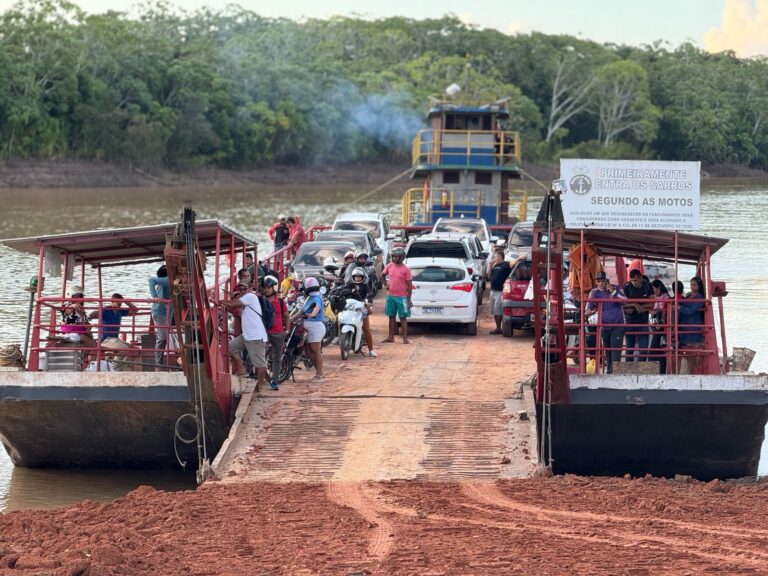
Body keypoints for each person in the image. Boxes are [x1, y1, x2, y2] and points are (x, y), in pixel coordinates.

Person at [221, 282, 268, 391]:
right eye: (240, 289)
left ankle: (260, 386)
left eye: (244, 289)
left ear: (250, 289)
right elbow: (234, 309)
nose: (242, 291)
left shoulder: (250, 296)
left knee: (260, 363)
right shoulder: (245, 301)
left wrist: (220, 301)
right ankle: (242, 369)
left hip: (255, 336)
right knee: (230, 347)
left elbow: (233, 305)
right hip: (247, 335)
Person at [586, 271, 626, 374]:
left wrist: (613, 292)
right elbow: (587, 309)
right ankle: (609, 373)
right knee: (607, 351)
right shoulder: (594, 292)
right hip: (604, 326)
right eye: (598, 281)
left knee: (615, 351)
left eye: (603, 281)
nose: (600, 283)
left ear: (607, 281)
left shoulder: (616, 288)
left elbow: (625, 301)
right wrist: (592, 311)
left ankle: (615, 375)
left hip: (617, 325)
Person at [89, 293, 138, 371]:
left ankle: (119, 367)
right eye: (117, 302)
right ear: (112, 301)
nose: (119, 304)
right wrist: (91, 315)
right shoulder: (106, 310)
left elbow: (135, 310)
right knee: (124, 349)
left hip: (115, 339)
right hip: (106, 339)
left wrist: (126, 301)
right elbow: (96, 313)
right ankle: (114, 369)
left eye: (120, 303)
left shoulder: (120, 311)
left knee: (136, 350)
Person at [381, 247, 412, 344]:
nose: (394, 258)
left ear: (402, 257)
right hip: (390, 296)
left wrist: (408, 299)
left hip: (401, 297)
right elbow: (382, 275)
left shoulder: (406, 269)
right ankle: (390, 337)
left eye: (397, 257)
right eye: (393, 256)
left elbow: (410, 285)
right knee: (391, 317)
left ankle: (405, 338)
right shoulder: (389, 266)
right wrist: (385, 285)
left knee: (403, 318)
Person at [263, 275, 289, 390]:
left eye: (268, 287)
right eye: (265, 287)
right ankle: (258, 377)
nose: (266, 290)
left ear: (273, 288)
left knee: (277, 358)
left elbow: (287, 316)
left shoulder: (281, 302)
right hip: (264, 333)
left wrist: (287, 330)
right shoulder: (262, 301)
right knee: (260, 356)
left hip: (278, 333)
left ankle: (275, 380)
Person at [344, 267, 376, 357]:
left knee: (366, 329)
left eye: (359, 277)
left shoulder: (365, 287)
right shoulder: (349, 285)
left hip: (361, 310)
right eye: (356, 276)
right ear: (353, 277)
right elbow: (343, 293)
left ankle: (371, 350)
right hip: (350, 309)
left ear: (363, 277)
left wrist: (368, 303)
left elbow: (369, 296)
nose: (357, 278)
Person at [623, 268, 652, 361]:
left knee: (643, 351)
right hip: (629, 321)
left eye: (635, 280)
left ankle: (641, 372)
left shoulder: (647, 286)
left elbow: (653, 303)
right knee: (629, 351)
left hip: (643, 321)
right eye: (631, 280)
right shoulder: (627, 287)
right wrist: (635, 305)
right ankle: (628, 374)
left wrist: (642, 307)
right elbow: (622, 303)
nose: (633, 282)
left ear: (640, 278)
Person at [59, 286, 97, 354]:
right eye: (76, 296)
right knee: (92, 344)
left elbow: (85, 322)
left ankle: (85, 361)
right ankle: (81, 361)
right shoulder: (66, 305)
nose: (79, 298)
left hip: (80, 332)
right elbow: (67, 310)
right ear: (70, 296)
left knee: (94, 344)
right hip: (70, 331)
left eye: (81, 296)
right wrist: (72, 307)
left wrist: (89, 326)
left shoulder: (81, 309)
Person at [300, 277, 325, 381]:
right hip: (307, 326)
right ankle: (318, 371)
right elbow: (301, 312)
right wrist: (291, 318)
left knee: (315, 350)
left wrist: (311, 315)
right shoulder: (308, 299)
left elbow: (316, 309)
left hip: (315, 327)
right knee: (308, 352)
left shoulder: (317, 298)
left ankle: (320, 374)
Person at [148, 265, 172, 369]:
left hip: (167, 312)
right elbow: (151, 280)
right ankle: (158, 365)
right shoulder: (167, 280)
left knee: (163, 338)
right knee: (162, 339)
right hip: (160, 312)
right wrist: (155, 297)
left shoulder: (167, 282)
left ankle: (159, 363)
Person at [649, 279, 671, 374]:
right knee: (659, 350)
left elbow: (663, 312)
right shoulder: (659, 298)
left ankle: (658, 372)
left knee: (654, 351)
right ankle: (661, 372)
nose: (654, 291)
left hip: (661, 327)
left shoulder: (664, 298)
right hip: (659, 326)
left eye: (655, 288)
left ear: (659, 288)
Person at [488, 251, 511, 334]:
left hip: (500, 291)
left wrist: (519, 258)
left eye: (496, 257)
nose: (494, 258)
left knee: (498, 310)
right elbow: (488, 276)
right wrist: (490, 266)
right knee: (494, 310)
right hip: (493, 290)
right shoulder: (495, 265)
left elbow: (513, 263)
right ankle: (497, 327)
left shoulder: (505, 264)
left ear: (501, 257)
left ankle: (498, 328)